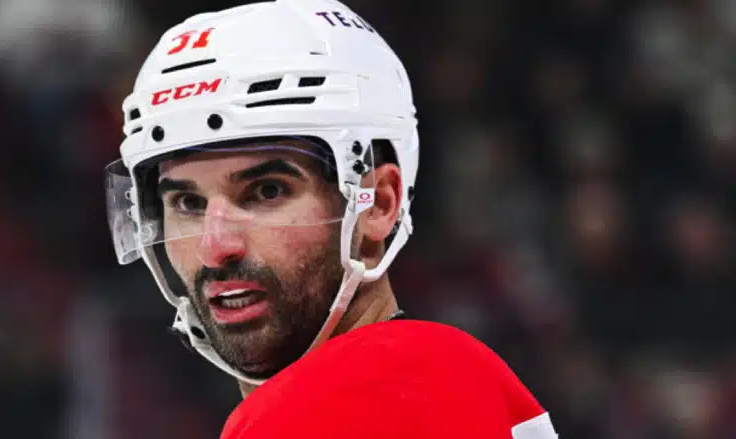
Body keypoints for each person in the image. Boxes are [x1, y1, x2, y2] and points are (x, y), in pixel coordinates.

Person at [103, 0, 560, 437]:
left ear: (378, 204)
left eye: (266, 192)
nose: (215, 247)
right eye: (188, 203)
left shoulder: (323, 410)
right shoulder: (467, 375)